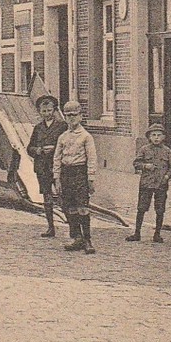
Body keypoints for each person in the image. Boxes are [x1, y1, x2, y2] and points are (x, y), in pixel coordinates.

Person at [53, 100, 99, 254]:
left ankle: (87, 240)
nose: (71, 118)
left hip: (80, 173)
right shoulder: (62, 137)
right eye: (68, 115)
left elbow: (92, 158)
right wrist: (57, 178)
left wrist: (90, 179)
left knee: (83, 208)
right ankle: (77, 237)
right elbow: (57, 158)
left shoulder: (86, 136)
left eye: (74, 115)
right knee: (70, 207)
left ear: (80, 116)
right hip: (66, 174)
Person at [128, 122, 171, 243]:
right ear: (149, 137)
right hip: (146, 183)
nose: (156, 138)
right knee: (142, 208)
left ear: (163, 137)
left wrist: (166, 177)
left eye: (159, 135)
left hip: (161, 184)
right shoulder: (144, 149)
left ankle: (157, 234)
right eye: (153, 135)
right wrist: (145, 166)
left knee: (160, 209)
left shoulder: (167, 151)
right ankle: (137, 233)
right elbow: (136, 163)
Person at [26, 95, 64, 238]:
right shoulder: (38, 128)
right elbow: (29, 148)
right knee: (47, 197)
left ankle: (72, 227)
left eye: (49, 111)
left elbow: (67, 144)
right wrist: (39, 150)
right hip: (42, 166)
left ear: (54, 110)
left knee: (63, 195)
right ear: (39, 112)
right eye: (44, 111)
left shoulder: (62, 126)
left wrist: (54, 148)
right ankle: (50, 227)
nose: (47, 114)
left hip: (57, 166)